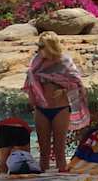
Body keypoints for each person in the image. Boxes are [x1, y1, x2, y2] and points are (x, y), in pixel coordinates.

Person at [22, 33, 88, 172]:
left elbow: (76, 82)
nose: (39, 49)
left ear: (50, 46)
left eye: (42, 46)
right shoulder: (37, 61)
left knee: (59, 149)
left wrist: (63, 91)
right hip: (41, 108)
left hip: (60, 108)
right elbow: (31, 79)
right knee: (43, 150)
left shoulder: (64, 61)